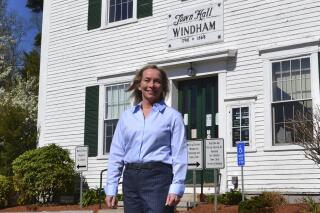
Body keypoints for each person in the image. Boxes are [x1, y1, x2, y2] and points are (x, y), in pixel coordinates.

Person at [104, 65, 188, 213]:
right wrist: (111, 186)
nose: (151, 85)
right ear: (139, 85)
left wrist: (177, 187)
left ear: (163, 86)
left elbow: (179, 155)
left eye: (157, 81)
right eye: (147, 80)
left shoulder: (172, 116)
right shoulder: (126, 117)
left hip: (159, 178)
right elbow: (117, 153)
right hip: (130, 179)